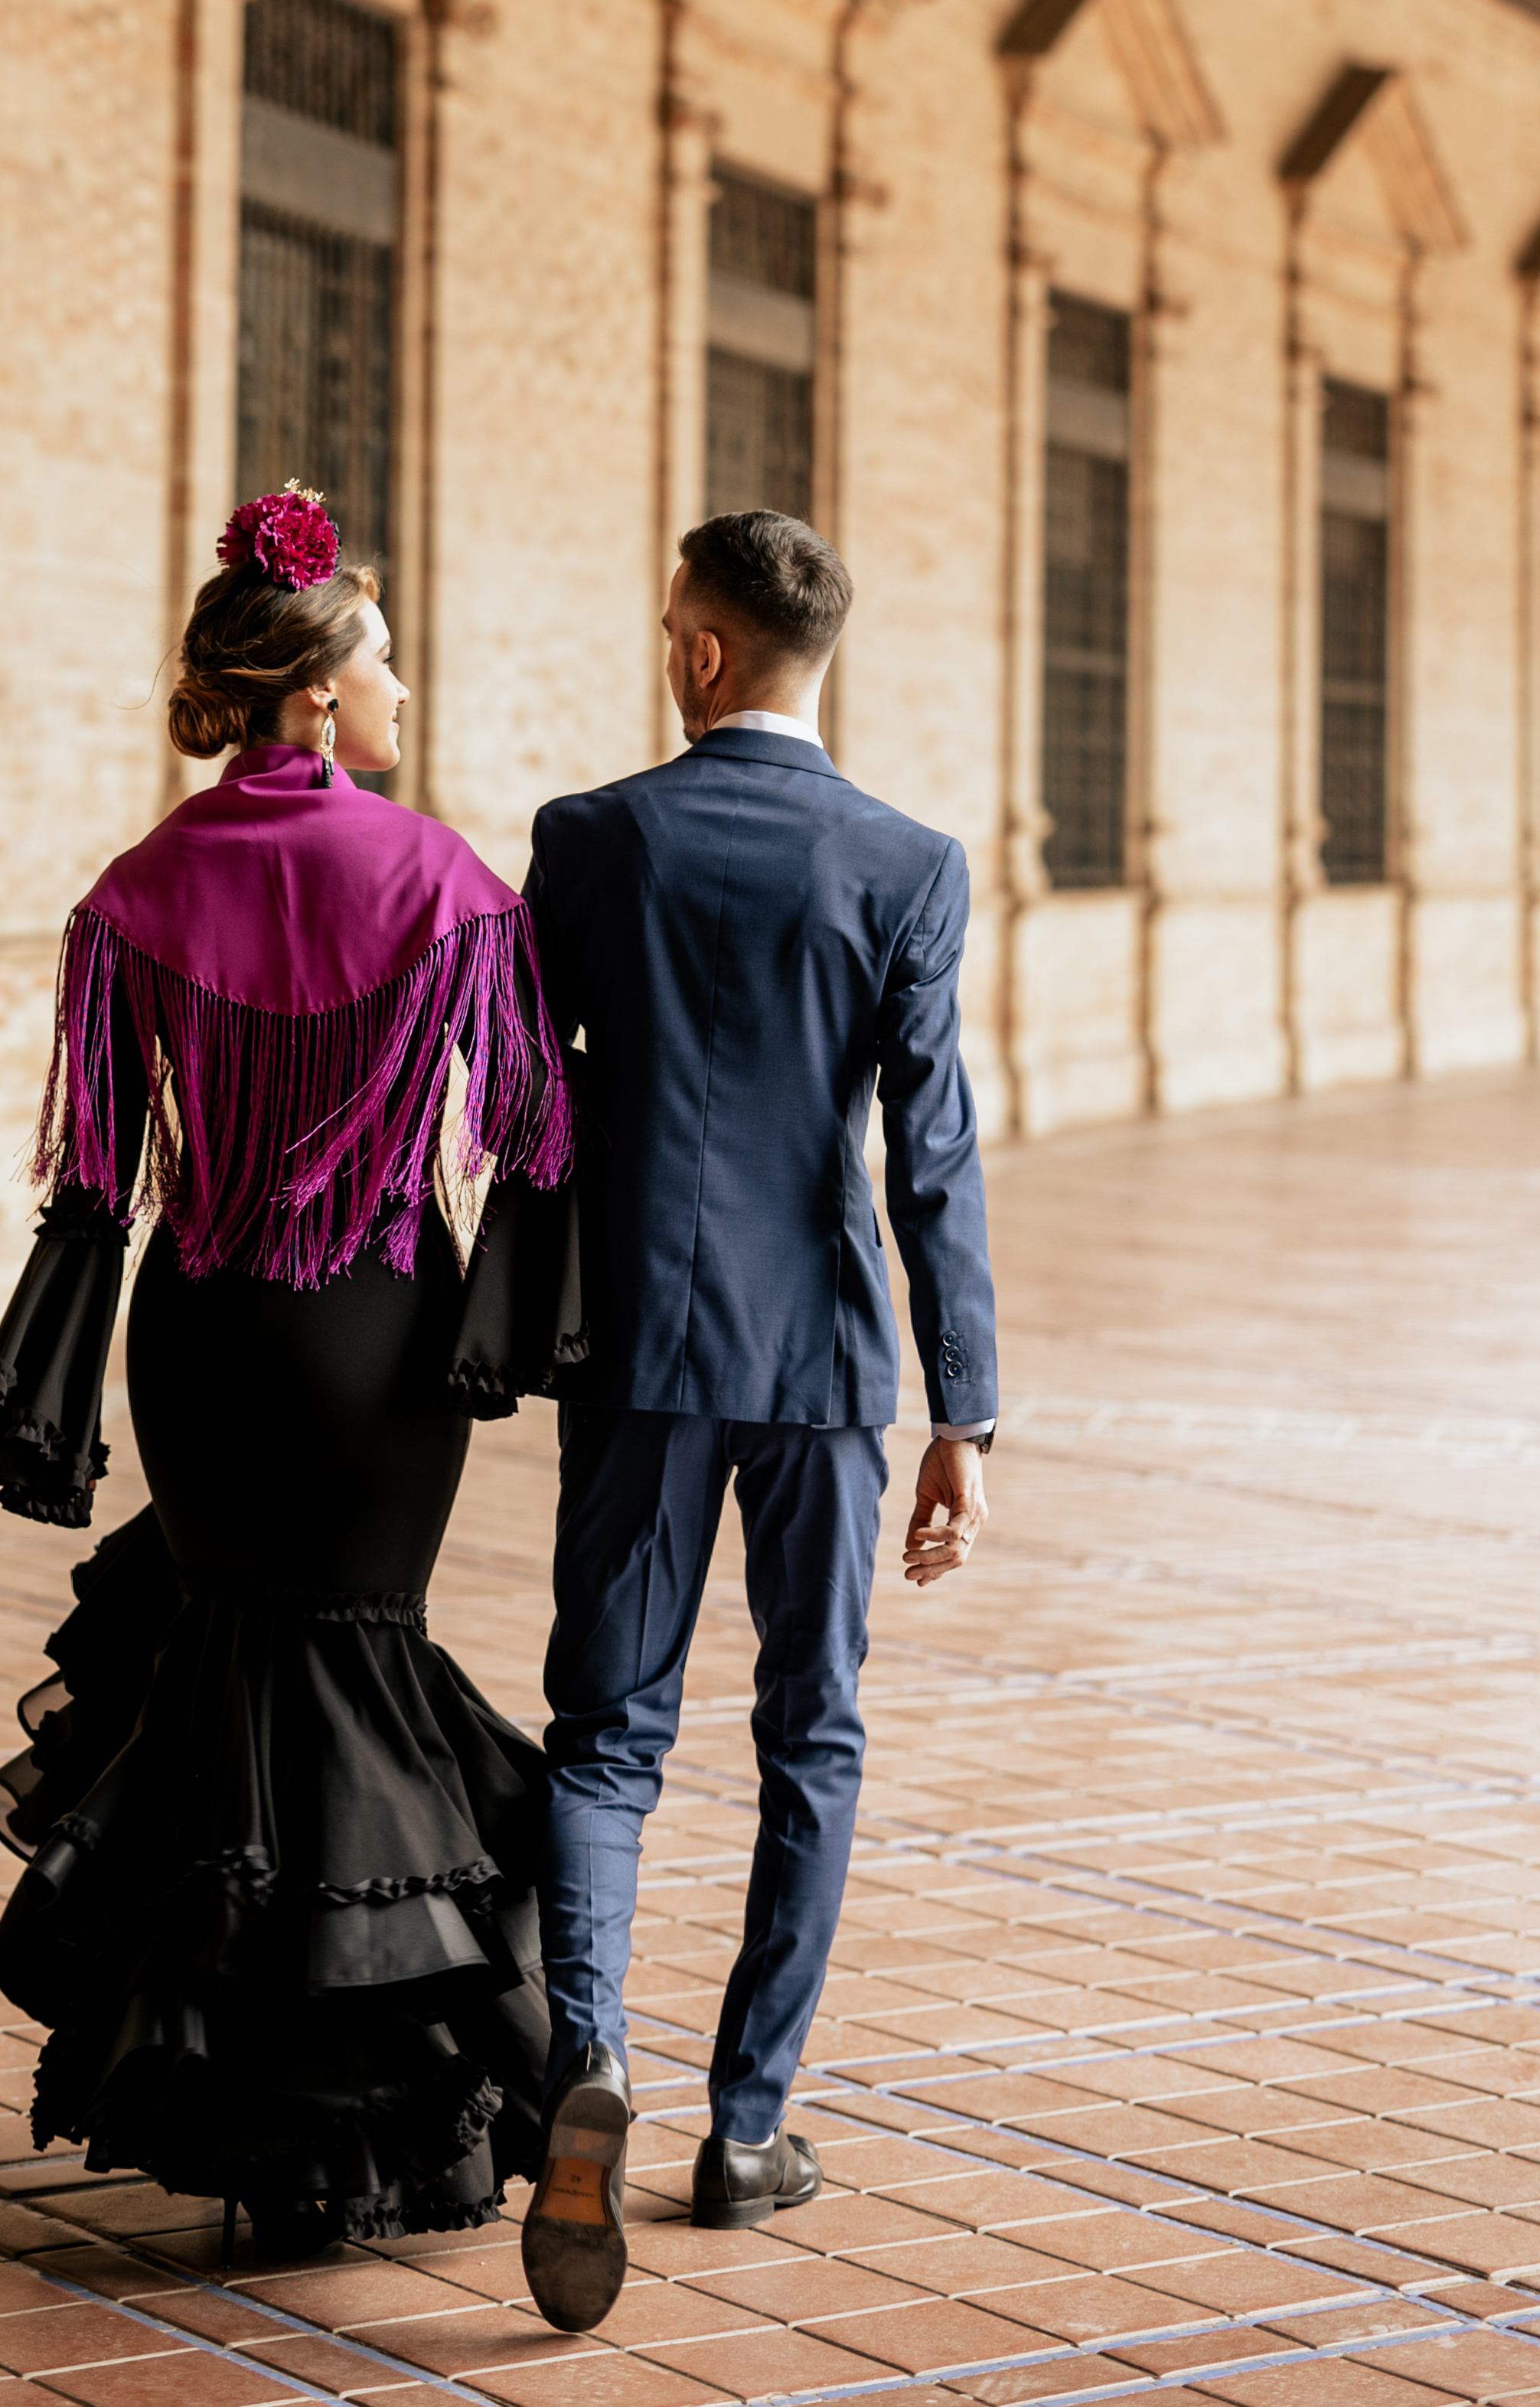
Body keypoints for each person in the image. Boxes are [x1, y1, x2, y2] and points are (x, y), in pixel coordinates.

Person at [0, 486, 580, 2257]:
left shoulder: (135, 892)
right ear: (309, 693)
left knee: (248, 1693)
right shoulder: (443, 878)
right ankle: (504, 2062)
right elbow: (534, 1130)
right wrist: (506, 1333)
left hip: (204, 1331)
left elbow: (94, 1175)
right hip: (378, 1334)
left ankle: (288, 2140)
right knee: (358, 1674)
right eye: (379, 657)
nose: (400, 688)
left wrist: (45, 1385)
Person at [514, 508, 999, 2333]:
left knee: (606, 1732)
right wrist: (967, 1407)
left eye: (668, 629)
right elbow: (930, 1153)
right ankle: (747, 2125)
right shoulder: (909, 862)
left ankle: (590, 2053)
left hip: (636, 1346)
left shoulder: (588, 841)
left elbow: (517, 1097)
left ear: (706, 653)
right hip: (822, 1364)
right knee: (813, 1731)